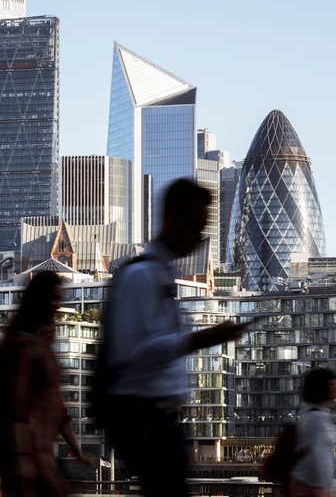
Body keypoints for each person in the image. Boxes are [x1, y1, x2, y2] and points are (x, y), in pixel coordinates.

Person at [102, 178, 249, 497]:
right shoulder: (141, 276)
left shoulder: (162, 274)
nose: (200, 236)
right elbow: (133, 352)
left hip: (161, 421)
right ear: (171, 218)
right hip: (144, 421)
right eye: (195, 224)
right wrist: (202, 339)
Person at [0, 271, 96, 497]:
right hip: (31, 456)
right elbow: (17, 409)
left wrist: (77, 452)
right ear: (39, 301)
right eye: (53, 299)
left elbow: (58, 410)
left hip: (40, 455)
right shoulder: (25, 346)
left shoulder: (36, 344)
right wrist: (24, 462)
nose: (58, 306)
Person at [289, 367, 336, 497]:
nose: (335, 388)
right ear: (322, 388)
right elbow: (317, 459)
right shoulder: (315, 419)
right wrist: (322, 489)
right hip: (312, 488)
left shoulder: (319, 416)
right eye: (331, 384)